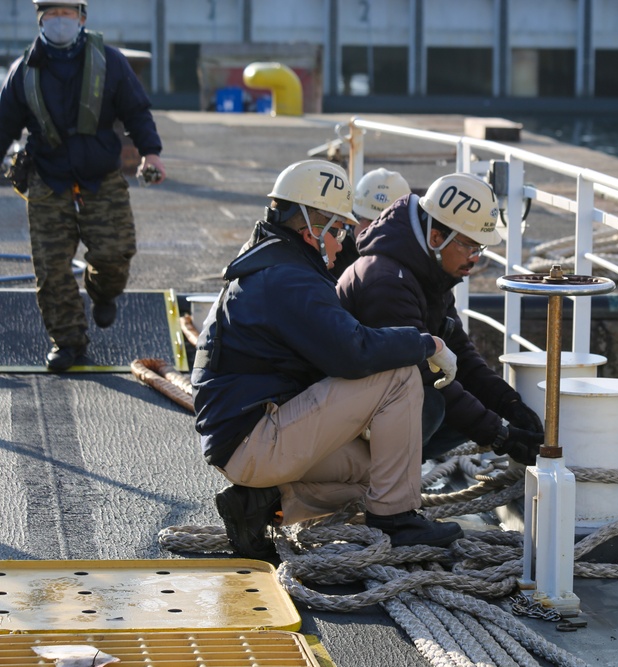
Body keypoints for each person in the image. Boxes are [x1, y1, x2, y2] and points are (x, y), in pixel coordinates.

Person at [192, 159, 464, 560]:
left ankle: (262, 504)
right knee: (400, 375)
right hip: (256, 440)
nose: (342, 242)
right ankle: (397, 520)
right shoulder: (288, 279)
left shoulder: (273, 266)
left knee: (381, 476)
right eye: (336, 230)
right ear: (311, 229)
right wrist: (430, 345)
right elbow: (353, 353)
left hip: (247, 440)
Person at [0, 0, 167, 372]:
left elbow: (137, 111)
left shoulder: (110, 61)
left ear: (82, 18)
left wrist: (151, 153)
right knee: (51, 268)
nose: (60, 21)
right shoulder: (23, 70)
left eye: (67, 14)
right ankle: (68, 342)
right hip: (47, 177)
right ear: (41, 20)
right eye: (52, 15)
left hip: (100, 177)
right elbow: (4, 124)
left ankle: (103, 291)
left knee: (114, 253)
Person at [337, 172, 544, 465]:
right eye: (470, 246)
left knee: (462, 404)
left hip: (370, 401)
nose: (475, 258)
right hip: (345, 414)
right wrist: (500, 436)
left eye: (480, 249)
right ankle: (376, 483)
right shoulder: (386, 282)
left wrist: (508, 404)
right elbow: (424, 373)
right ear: (436, 237)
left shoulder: (427, 272)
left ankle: (382, 473)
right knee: (431, 405)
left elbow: (460, 352)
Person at [330, 167, 409, 279]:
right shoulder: (334, 254)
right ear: (353, 219)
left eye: (386, 224)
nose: (376, 231)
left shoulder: (413, 262)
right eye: (369, 221)